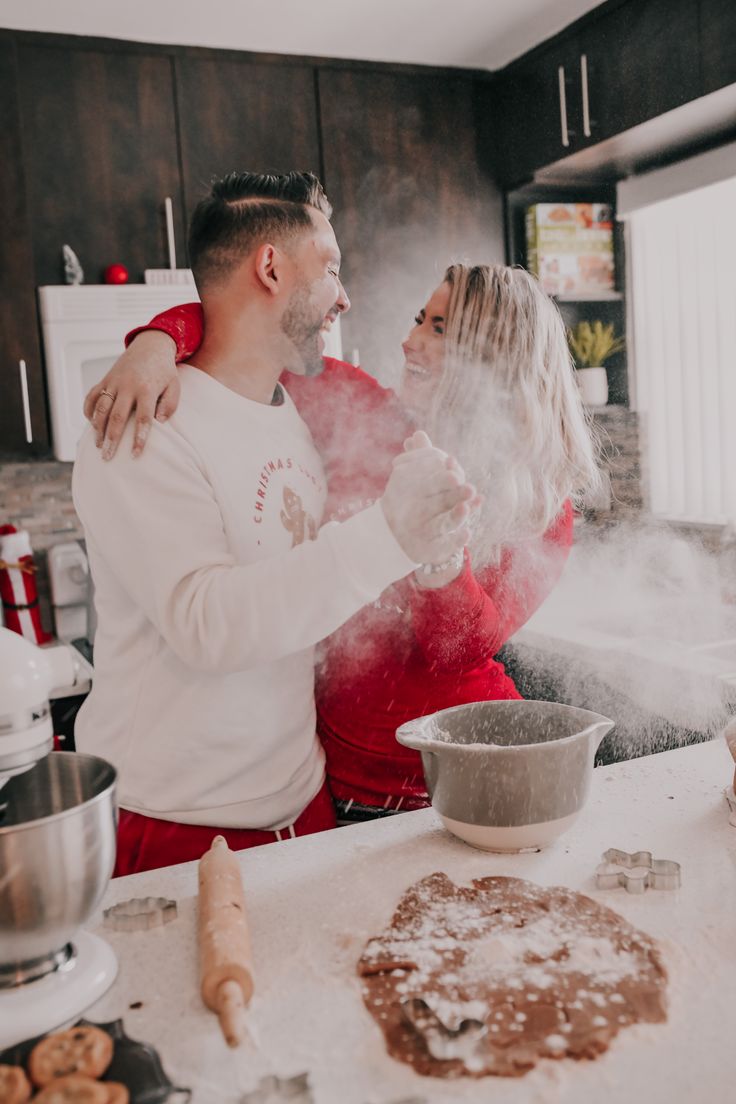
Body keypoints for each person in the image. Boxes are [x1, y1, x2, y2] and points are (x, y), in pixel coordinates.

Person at [87, 258, 600, 823]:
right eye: (418, 319)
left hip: (468, 774)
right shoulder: (361, 414)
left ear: (493, 356)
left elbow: (456, 649)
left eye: (439, 329)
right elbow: (249, 332)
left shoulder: (542, 505)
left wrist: (440, 552)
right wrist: (156, 343)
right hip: (342, 785)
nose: (409, 341)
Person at [73, 171, 474, 875]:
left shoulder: (299, 411)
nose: (344, 296)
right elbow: (207, 623)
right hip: (176, 826)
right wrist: (390, 537)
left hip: (304, 808)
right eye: (331, 268)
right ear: (270, 267)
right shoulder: (145, 420)